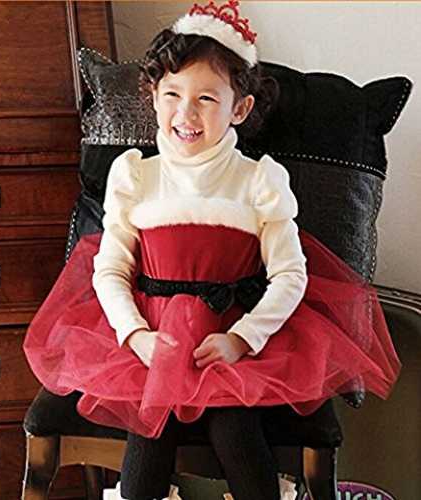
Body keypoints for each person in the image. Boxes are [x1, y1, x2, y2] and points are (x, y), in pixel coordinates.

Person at [23, 1, 401, 499]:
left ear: (238, 108)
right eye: (172, 94)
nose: (186, 113)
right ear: (153, 96)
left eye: (206, 98)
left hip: (229, 340)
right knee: (151, 429)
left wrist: (241, 339)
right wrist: (136, 336)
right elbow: (110, 270)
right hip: (152, 338)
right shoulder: (135, 175)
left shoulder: (259, 180)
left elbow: (291, 275)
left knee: (235, 431)